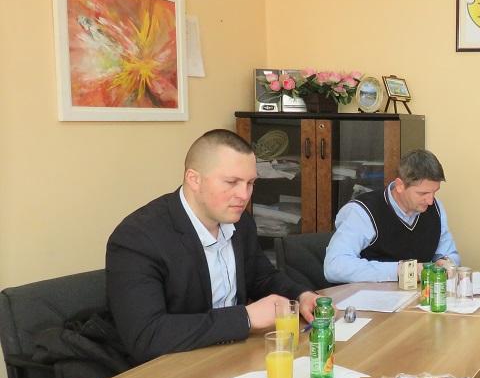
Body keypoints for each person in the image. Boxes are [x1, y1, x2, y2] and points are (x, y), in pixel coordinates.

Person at [106, 130, 320, 364]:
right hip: (172, 368)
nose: (244, 195)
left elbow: (261, 277)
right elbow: (147, 336)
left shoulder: (240, 221)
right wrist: (245, 318)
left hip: (232, 357)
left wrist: (301, 296)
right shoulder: (137, 238)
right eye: (231, 182)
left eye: (250, 183)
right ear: (194, 179)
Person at [323, 149, 460, 283]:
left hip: (418, 295)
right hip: (370, 295)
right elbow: (334, 267)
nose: (430, 201)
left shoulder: (436, 208)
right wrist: (402, 271)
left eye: (434, 192)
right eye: (422, 193)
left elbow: (449, 253)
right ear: (400, 185)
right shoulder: (362, 211)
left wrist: (445, 262)